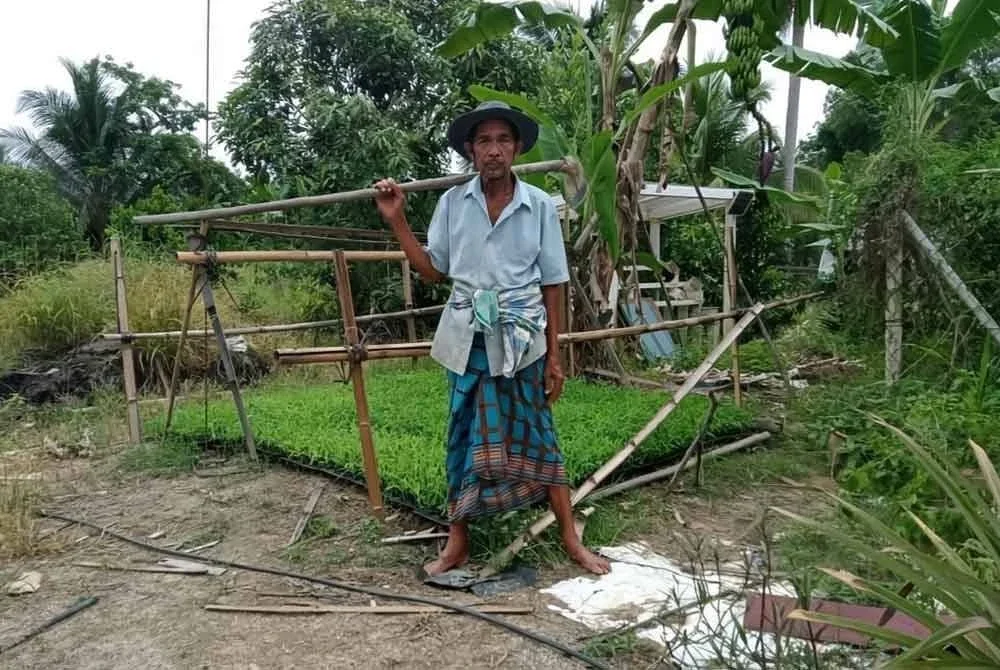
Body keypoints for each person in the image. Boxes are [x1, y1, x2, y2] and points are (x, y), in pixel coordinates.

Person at [373, 101, 611, 577]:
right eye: (484, 141)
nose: (494, 150)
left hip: (523, 339)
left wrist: (555, 360)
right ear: (471, 150)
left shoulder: (539, 205)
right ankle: (457, 541)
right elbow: (434, 272)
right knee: (462, 437)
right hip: (466, 339)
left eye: (503, 140)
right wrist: (397, 220)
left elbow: (553, 283)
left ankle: (569, 538)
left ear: (518, 149)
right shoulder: (451, 204)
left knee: (539, 436)